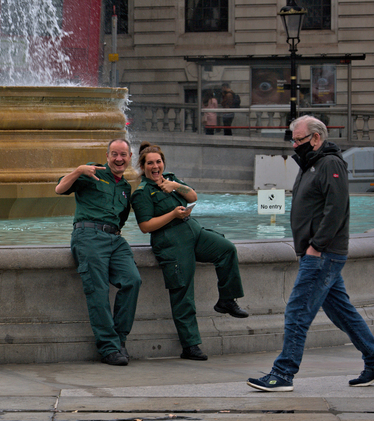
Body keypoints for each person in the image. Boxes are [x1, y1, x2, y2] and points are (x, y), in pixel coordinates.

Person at [248, 116, 374, 391]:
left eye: (299, 140)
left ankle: (283, 373)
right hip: (318, 253)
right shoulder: (311, 164)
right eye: (293, 139)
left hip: (322, 254)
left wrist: (316, 246)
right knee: (343, 313)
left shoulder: (330, 163)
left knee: (297, 310)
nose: (294, 145)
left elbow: (336, 209)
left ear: (316, 138)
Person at [131, 142, 248, 361]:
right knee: (183, 292)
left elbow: (193, 197)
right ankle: (190, 345)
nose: (155, 167)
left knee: (227, 249)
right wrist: (173, 215)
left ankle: (226, 299)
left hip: (194, 232)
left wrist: (175, 186)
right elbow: (145, 226)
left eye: (158, 162)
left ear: (163, 163)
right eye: (150, 163)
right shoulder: (142, 192)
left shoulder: (171, 179)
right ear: (142, 166)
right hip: (171, 241)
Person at [55, 139, 141, 366]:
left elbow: (121, 220)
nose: (119, 159)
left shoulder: (125, 188)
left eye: (123, 154)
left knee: (132, 280)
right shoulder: (91, 171)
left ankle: (119, 340)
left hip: (115, 239)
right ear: (107, 155)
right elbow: (59, 188)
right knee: (98, 291)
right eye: (114, 154)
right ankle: (109, 349)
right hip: (89, 236)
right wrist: (77, 171)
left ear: (130, 157)